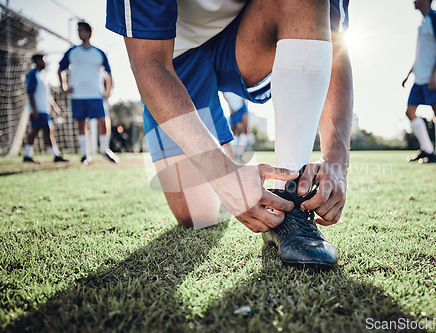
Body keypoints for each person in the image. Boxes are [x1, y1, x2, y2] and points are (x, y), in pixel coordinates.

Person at [106, 0, 352, 269]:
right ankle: (227, 163)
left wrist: (338, 160)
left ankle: (288, 198)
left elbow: (332, 38)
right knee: (199, 215)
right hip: (174, 56)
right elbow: (149, 62)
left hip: (248, 35)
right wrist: (221, 173)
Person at [58, 21, 119, 164]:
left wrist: (108, 91)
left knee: (103, 121)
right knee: (81, 124)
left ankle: (105, 150)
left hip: (95, 94)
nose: (80, 33)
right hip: (78, 95)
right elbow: (60, 69)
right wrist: (64, 86)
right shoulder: (72, 52)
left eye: (82, 31)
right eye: (78, 30)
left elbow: (109, 73)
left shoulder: (98, 53)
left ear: (89, 33)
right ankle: (85, 155)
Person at [403, 0, 436, 164]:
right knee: (410, 112)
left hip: (435, 75)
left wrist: (434, 73)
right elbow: (421, 54)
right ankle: (428, 149)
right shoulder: (422, 24)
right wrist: (409, 73)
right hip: (420, 77)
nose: (413, 1)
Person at [23, 54, 68, 164]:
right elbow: (30, 93)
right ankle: (55, 155)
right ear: (36, 61)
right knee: (47, 130)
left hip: (44, 109)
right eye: (42, 61)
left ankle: (27, 155)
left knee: (36, 131)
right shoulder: (33, 74)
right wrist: (34, 110)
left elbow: (47, 95)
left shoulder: (43, 76)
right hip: (38, 109)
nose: (44, 63)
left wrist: (54, 107)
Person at [222, 91, 249, 161]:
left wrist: (244, 97)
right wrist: (230, 106)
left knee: (245, 130)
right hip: (233, 108)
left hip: (242, 106)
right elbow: (223, 94)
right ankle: (234, 153)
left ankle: (240, 153)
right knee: (234, 132)